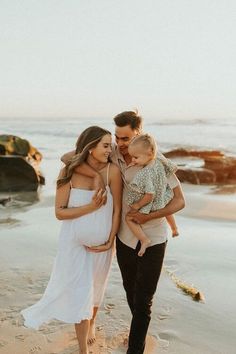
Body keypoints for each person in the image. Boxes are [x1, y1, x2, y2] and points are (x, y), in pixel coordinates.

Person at [61, 111, 185, 354]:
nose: (121, 144)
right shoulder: (114, 154)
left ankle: (135, 348)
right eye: (118, 137)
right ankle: (137, 331)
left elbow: (179, 201)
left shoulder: (157, 162)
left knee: (144, 300)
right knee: (131, 292)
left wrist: (148, 216)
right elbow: (68, 157)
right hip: (124, 237)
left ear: (139, 133)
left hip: (154, 238)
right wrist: (96, 174)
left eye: (126, 138)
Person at [21, 126, 122, 354]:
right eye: (105, 145)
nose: (110, 149)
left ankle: (92, 322)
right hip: (74, 244)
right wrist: (91, 206)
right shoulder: (67, 172)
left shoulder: (112, 172)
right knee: (80, 294)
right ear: (90, 146)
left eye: (111, 145)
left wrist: (110, 241)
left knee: (96, 289)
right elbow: (60, 212)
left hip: (102, 246)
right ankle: (82, 350)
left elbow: (117, 210)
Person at [125, 133, 179, 257]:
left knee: (128, 218)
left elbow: (149, 195)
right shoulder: (159, 162)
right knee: (167, 207)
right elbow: (170, 169)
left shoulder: (145, 173)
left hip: (151, 204)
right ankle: (174, 228)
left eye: (135, 157)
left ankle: (144, 240)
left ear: (149, 153)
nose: (133, 160)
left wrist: (137, 205)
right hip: (163, 196)